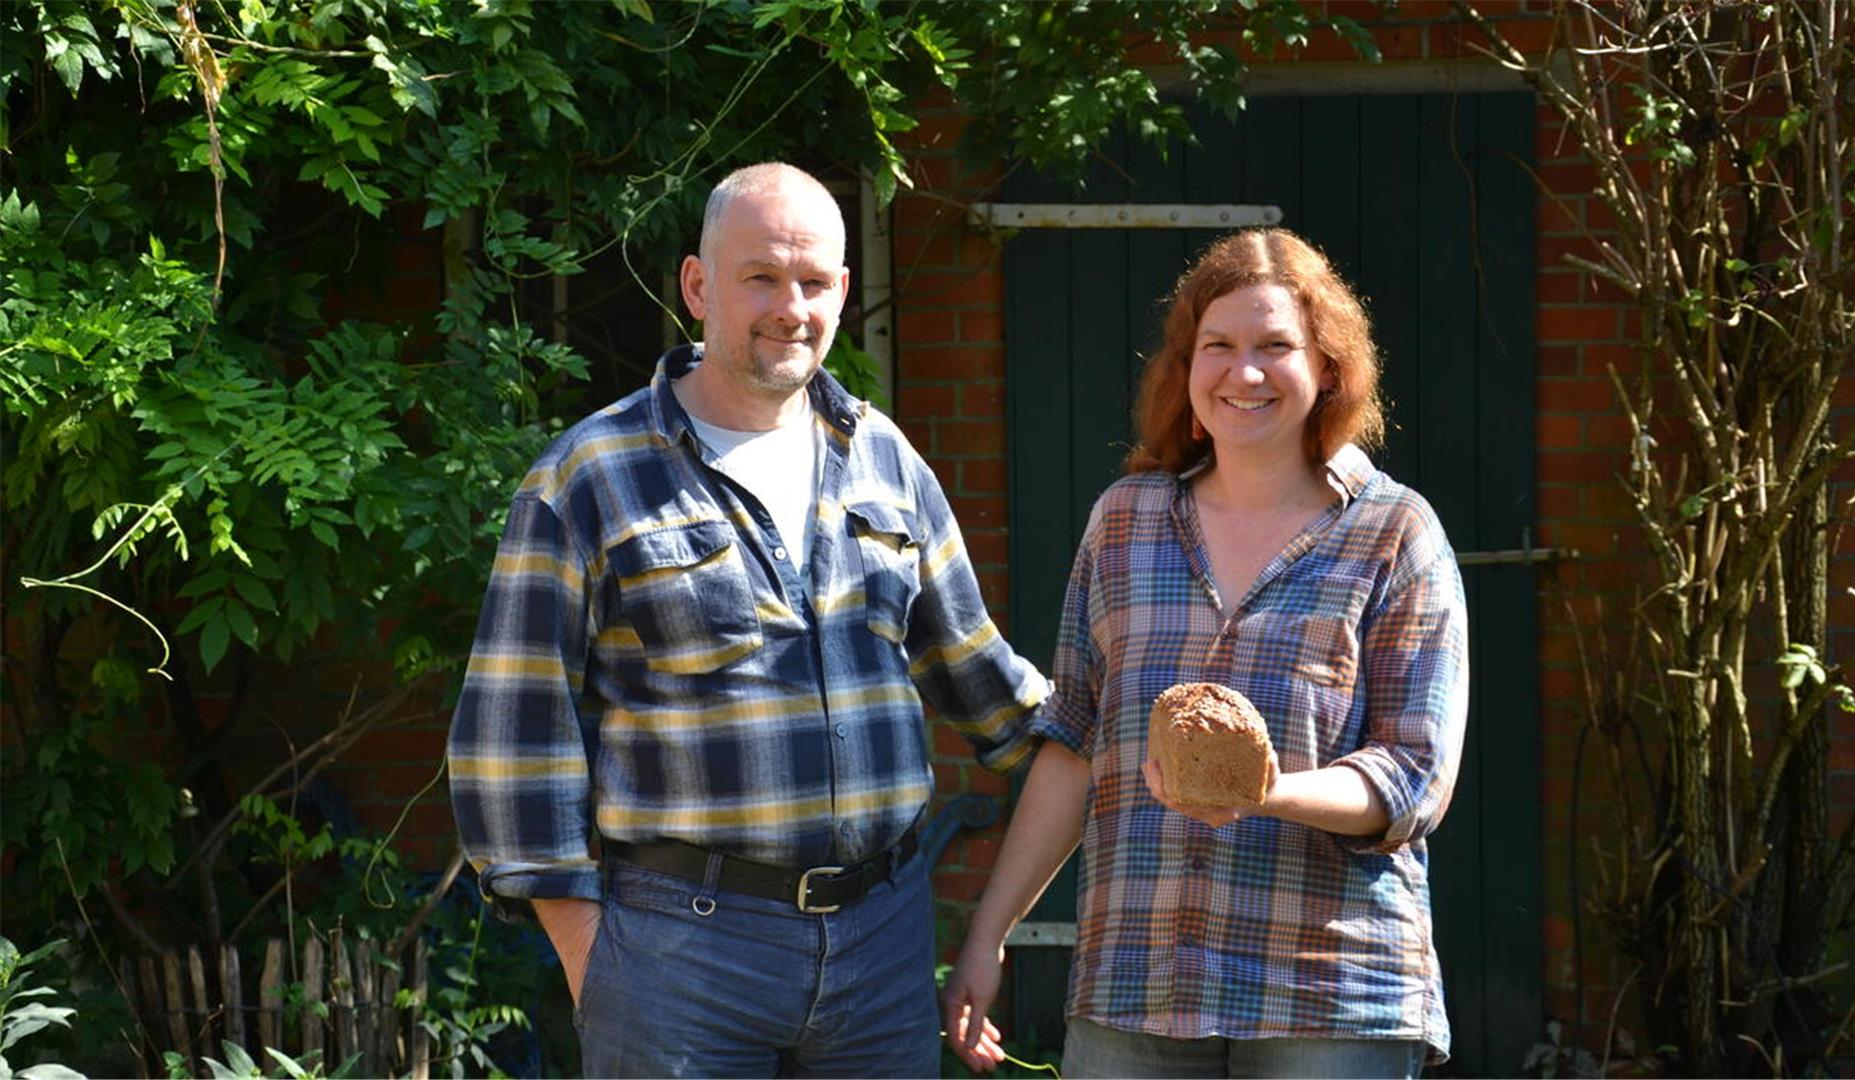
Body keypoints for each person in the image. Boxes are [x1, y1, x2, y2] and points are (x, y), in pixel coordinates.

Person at [448, 162, 1047, 1078]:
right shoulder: (589, 476)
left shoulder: (883, 458)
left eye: (813, 283)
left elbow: (990, 689)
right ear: (697, 285)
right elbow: (509, 743)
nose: (790, 307)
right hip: (682, 956)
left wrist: (1136, 740)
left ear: (844, 291)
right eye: (761, 277)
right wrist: (590, 958)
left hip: (882, 945)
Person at [942, 228, 1468, 1079]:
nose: (1244, 372)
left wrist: (1267, 792)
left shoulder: (1393, 533)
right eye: (1218, 346)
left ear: (1327, 367)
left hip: (1327, 996)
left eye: (1275, 347)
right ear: (1187, 367)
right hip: (1136, 984)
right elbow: (1074, 741)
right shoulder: (1126, 522)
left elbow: (1414, 774)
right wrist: (988, 934)